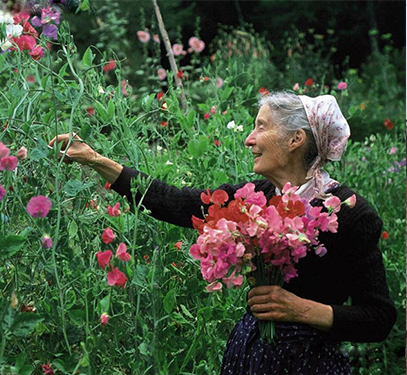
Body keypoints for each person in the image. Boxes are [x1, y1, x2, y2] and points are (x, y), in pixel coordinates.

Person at [49, 91, 396, 374]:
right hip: (250, 355)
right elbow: (175, 202)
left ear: (295, 139)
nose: (249, 140)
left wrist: (301, 309)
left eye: (261, 128)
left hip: (307, 363)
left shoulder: (349, 212)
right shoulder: (254, 197)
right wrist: (94, 158)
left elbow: (378, 319)